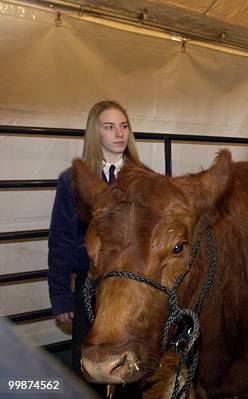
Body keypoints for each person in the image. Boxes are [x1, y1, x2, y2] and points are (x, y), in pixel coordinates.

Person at [47, 100, 143, 396]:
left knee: (130, 362)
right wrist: (61, 296)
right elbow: (61, 240)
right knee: (87, 363)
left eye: (124, 126)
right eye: (109, 126)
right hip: (90, 286)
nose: (119, 133)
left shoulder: (146, 180)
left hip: (132, 288)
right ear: (95, 132)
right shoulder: (72, 181)